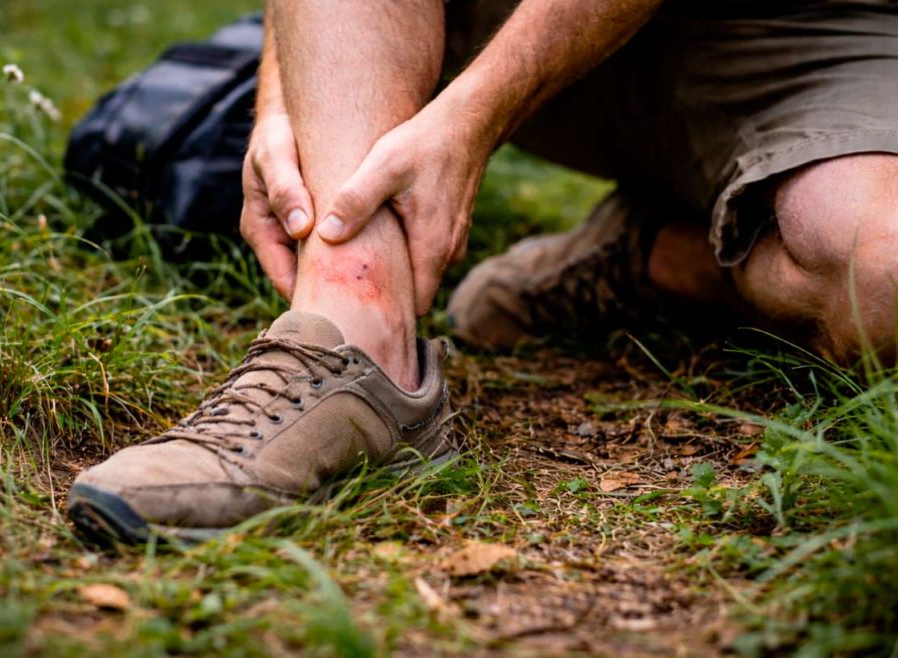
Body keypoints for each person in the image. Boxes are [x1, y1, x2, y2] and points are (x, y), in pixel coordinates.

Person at [66, 0, 898, 542]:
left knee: (883, 280)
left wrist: (475, 113)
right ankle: (354, 335)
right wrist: (280, 96)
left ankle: (651, 255)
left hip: (827, 25)